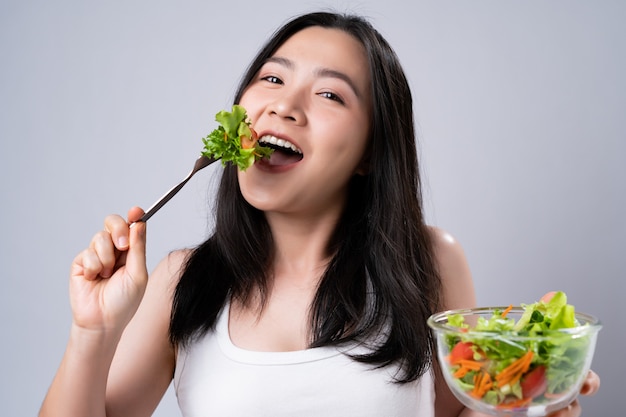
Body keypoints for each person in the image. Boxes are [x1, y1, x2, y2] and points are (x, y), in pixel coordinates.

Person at [39, 11, 599, 417]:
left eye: (330, 95)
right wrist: (93, 331)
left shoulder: (430, 261)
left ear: (370, 154)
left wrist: (527, 400)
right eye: (273, 79)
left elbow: (475, 410)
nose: (285, 104)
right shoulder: (181, 281)